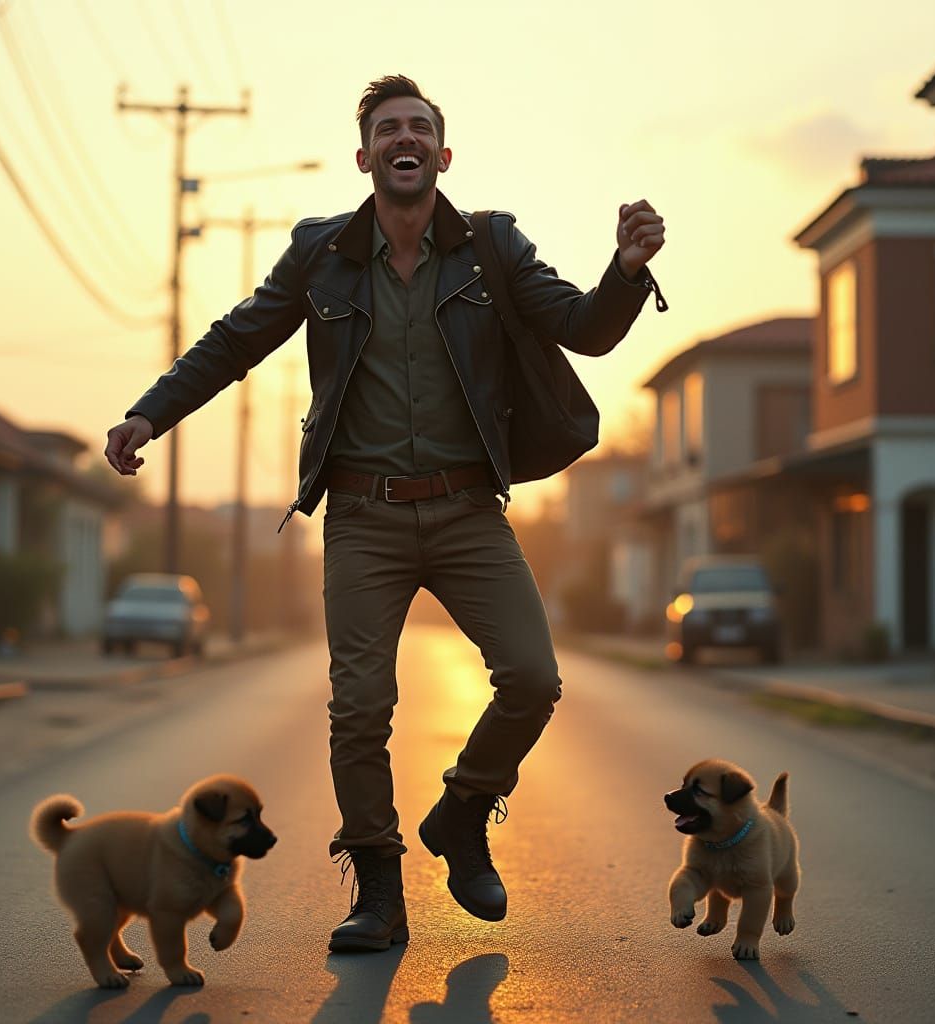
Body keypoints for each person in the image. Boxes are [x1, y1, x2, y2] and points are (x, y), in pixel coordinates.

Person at [104, 74, 666, 953]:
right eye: (387, 130)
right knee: (358, 708)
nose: (404, 140)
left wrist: (627, 271)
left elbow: (585, 328)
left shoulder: (492, 246)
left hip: (467, 509)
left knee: (531, 678)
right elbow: (235, 338)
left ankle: (463, 812)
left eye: (420, 129)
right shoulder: (321, 254)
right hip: (362, 515)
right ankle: (377, 890)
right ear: (365, 156)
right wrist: (150, 412)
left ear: (442, 157)